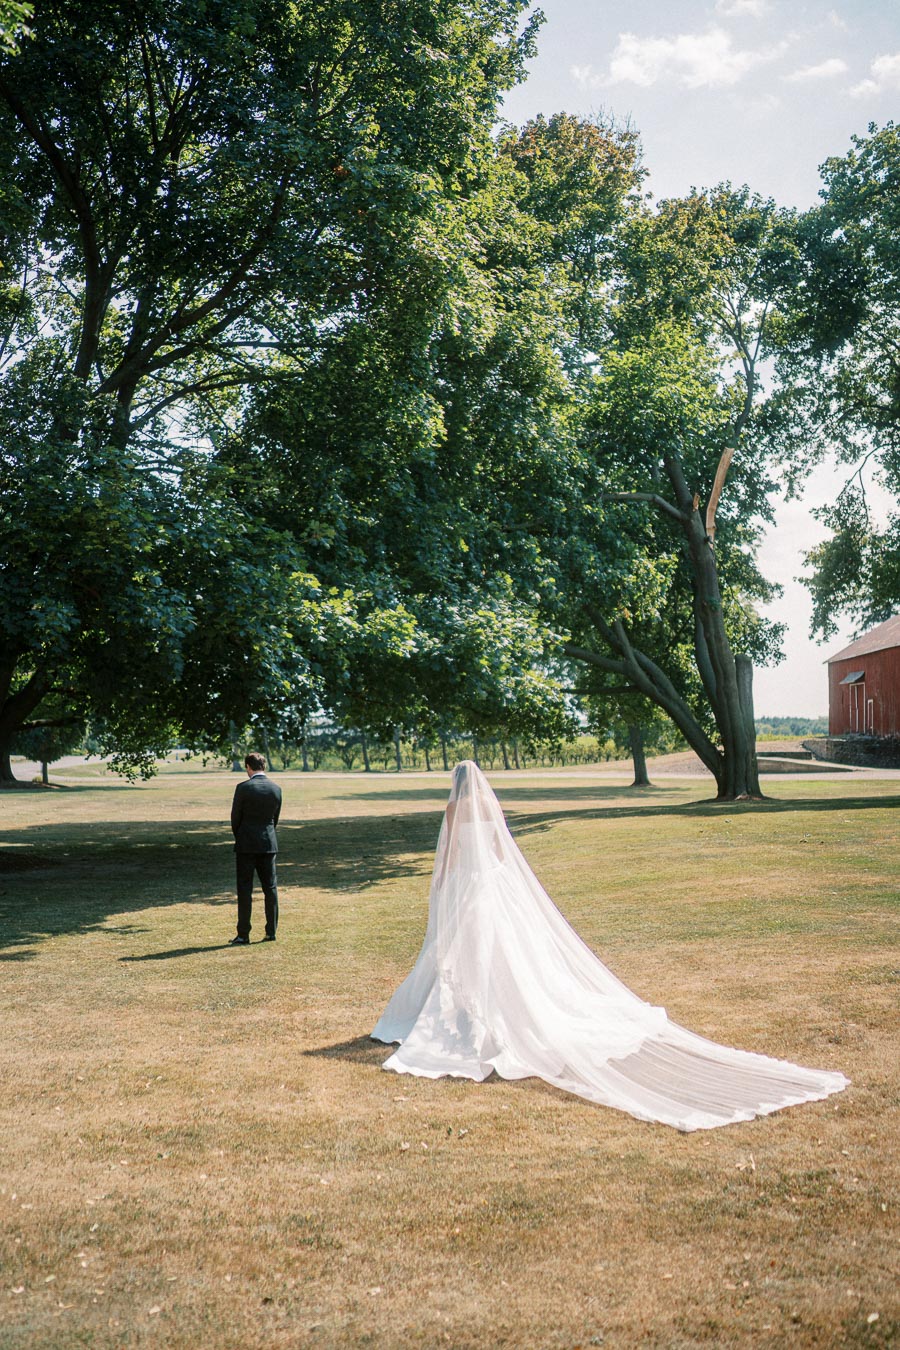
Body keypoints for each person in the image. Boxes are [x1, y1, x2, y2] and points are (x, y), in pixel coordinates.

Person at [371, 761, 848, 1131]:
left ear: (453, 787)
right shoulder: (488, 808)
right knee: (502, 955)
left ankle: (476, 1017)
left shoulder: (453, 811)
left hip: (470, 888)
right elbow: (499, 853)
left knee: (469, 953)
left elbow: (451, 855)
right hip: (491, 887)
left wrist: (444, 890)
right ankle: (485, 1010)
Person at [229, 752, 282, 945]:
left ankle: (244, 933)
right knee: (270, 888)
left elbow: (235, 818)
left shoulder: (243, 788)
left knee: (245, 889)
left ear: (248, 767)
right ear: (264, 766)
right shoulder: (276, 788)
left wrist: (241, 836)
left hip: (246, 843)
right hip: (268, 843)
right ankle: (271, 931)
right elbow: (274, 819)